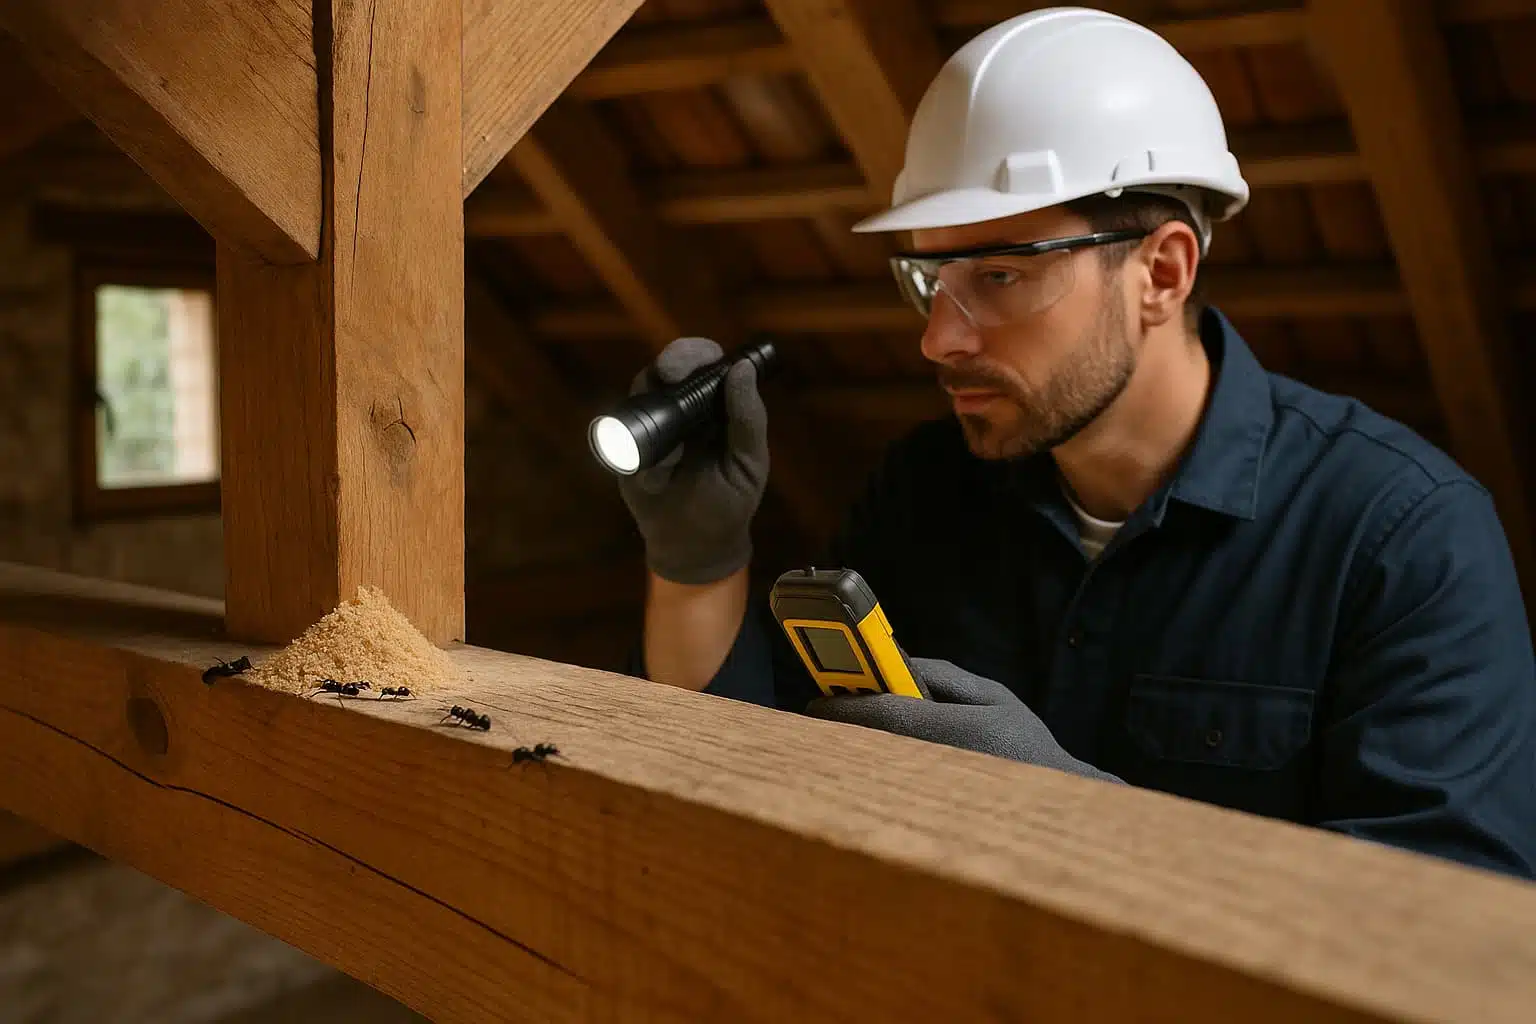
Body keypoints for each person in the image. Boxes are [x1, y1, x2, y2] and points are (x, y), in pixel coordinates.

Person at [614, 7, 1536, 878]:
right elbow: (743, 760)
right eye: (927, 278)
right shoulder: (926, 491)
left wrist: (1072, 816)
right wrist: (697, 560)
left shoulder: (1399, 538)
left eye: (1003, 274)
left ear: (1162, 273)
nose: (940, 337)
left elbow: (1445, 930)